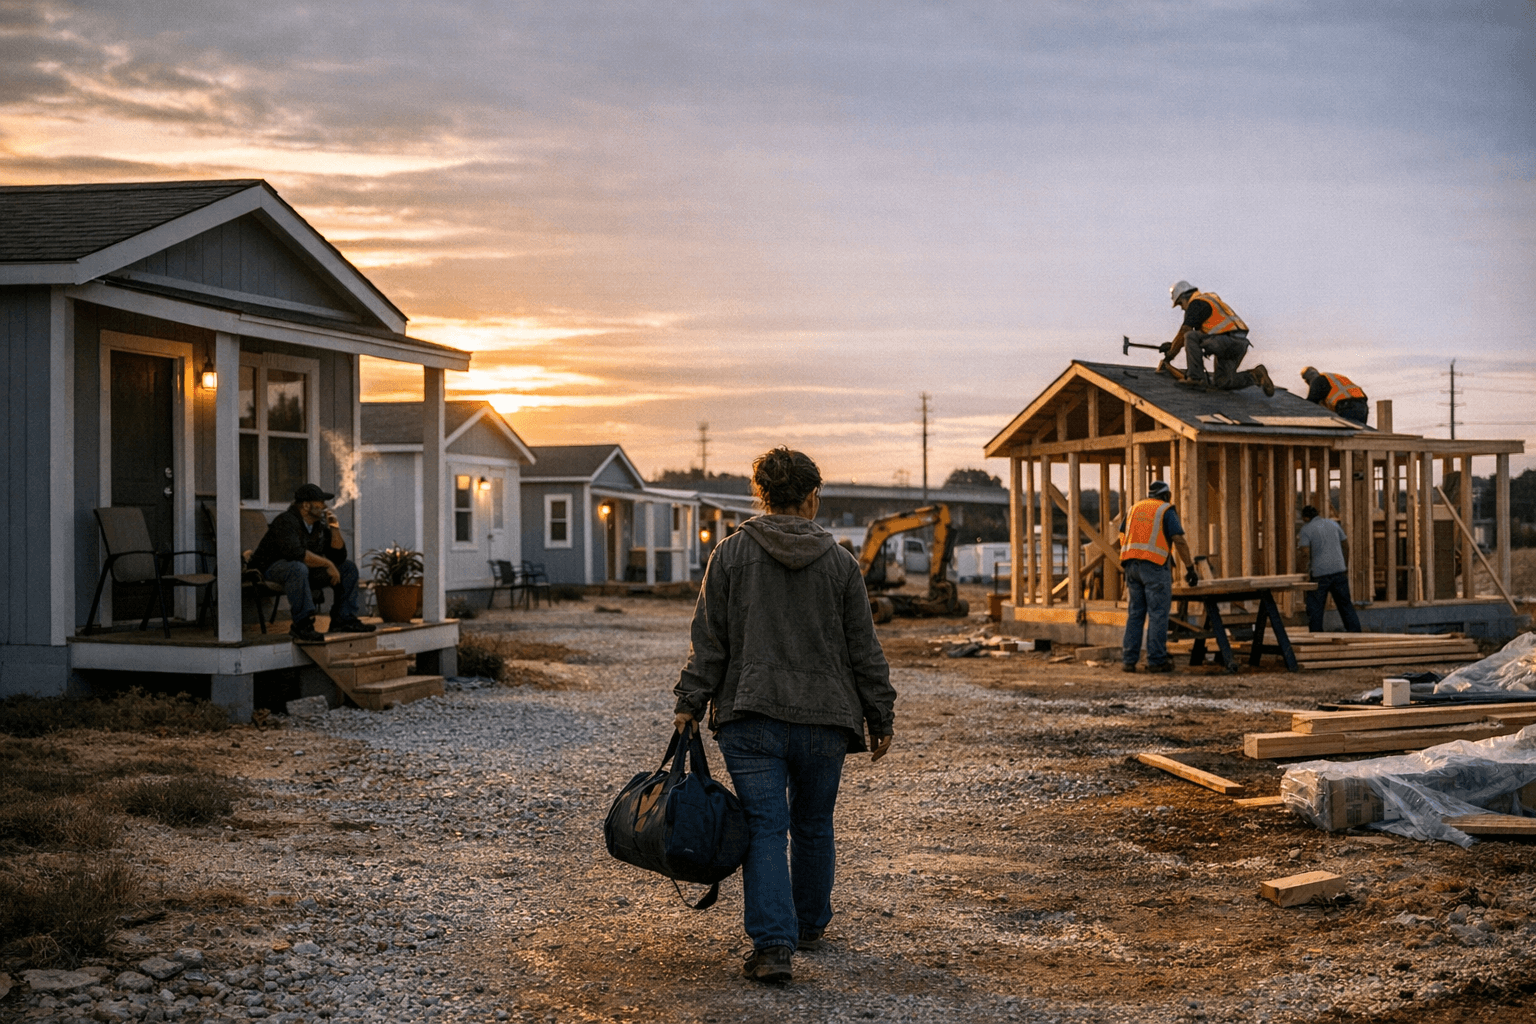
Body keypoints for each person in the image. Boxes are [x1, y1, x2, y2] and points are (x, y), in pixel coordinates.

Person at [672, 447, 896, 984]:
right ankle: (810, 924)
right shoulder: (841, 563)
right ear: (813, 496)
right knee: (814, 824)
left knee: (766, 827)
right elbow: (863, 648)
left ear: (763, 496)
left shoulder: (729, 555)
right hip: (826, 719)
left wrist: (689, 702)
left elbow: (709, 641)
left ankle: (774, 946)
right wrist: (880, 714)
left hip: (751, 715)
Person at [248, 483, 375, 643]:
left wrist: (334, 528)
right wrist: (328, 565)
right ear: (306, 505)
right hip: (270, 569)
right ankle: (302, 625)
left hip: (303, 570)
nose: (324, 506)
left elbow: (339, 557)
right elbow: (297, 554)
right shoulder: (286, 521)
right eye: (320, 502)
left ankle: (344, 620)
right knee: (297, 568)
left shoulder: (317, 527)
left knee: (347, 568)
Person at [1118, 479, 1196, 673]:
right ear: (1166, 496)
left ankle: (1129, 660)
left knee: (1135, 614)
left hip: (1131, 566)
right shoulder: (1165, 510)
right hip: (1153, 567)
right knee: (1158, 614)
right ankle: (1156, 660)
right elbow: (1178, 539)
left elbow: (1122, 535)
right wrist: (1190, 568)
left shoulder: (1134, 508)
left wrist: (1131, 556)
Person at [1166, 280, 1275, 396]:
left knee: (1190, 336)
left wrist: (1170, 354)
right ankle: (1256, 375)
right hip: (1239, 343)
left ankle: (1195, 378)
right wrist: (1173, 345)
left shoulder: (1196, 303)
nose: (1182, 308)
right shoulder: (1209, 300)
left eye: (1180, 304)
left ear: (1183, 297)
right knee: (1223, 382)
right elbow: (1202, 333)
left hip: (1225, 341)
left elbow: (1185, 332)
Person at [1296, 504, 1362, 633]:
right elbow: (1346, 546)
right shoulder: (1333, 524)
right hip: (1339, 571)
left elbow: (1305, 553)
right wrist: (1345, 565)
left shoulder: (1306, 529)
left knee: (1315, 608)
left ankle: (1316, 636)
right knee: (1345, 605)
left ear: (1305, 518)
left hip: (1320, 574)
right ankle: (1355, 633)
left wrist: (1303, 571)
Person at [1300, 367, 1369, 425]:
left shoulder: (1318, 380)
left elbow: (1311, 403)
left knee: (1346, 432)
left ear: (1307, 379)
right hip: (1362, 407)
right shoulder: (1333, 377)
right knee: (1359, 432)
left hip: (1347, 406)